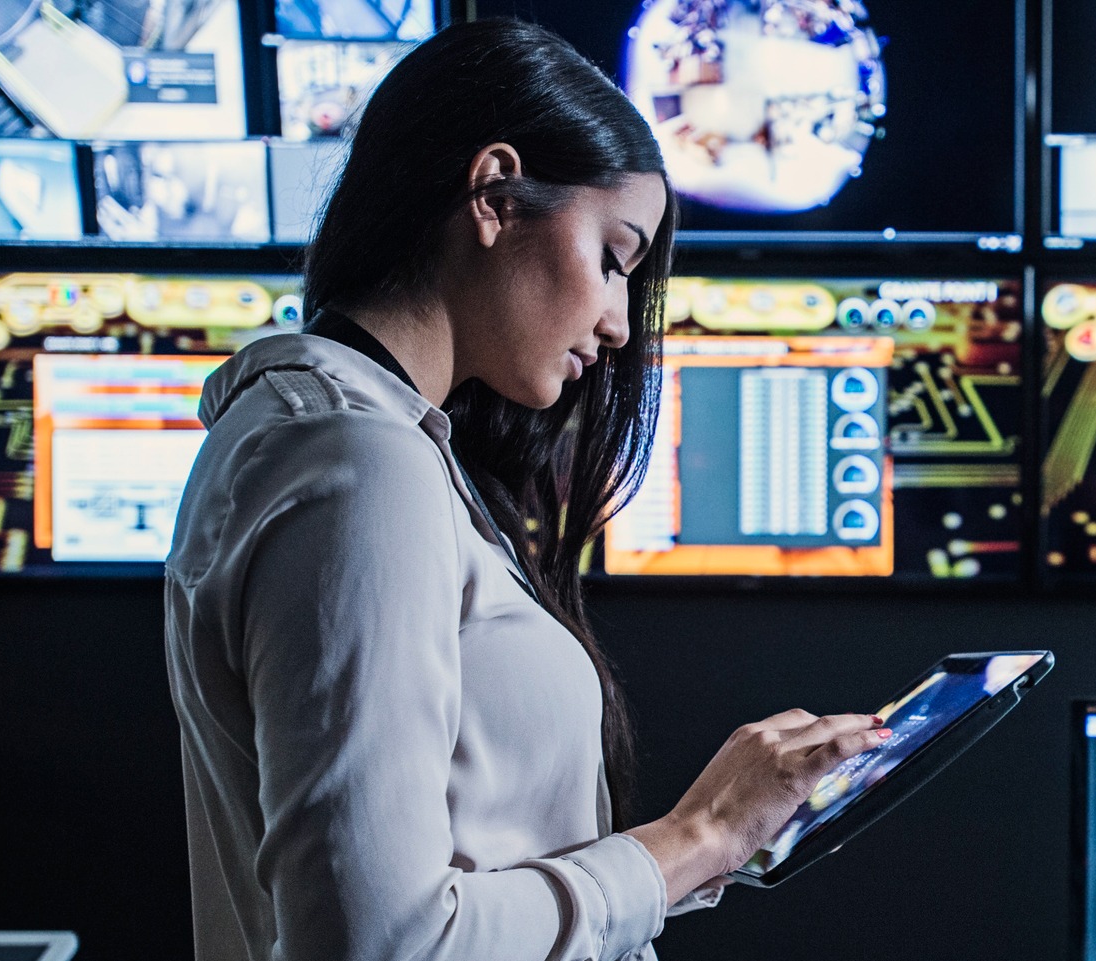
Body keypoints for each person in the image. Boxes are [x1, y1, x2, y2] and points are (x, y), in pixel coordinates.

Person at [162, 19, 887, 961]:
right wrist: (696, 835)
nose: (623, 322)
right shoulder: (354, 463)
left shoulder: (344, 440)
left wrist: (710, 841)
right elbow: (380, 946)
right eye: (615, 258)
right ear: (496, 193)